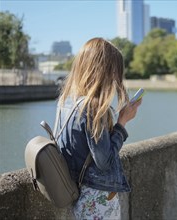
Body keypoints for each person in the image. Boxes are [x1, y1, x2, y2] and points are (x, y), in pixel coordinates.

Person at [55, 37, 142, 219]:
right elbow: (105, 162)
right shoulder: (94, 107)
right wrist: (122, 123)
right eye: (114, 71)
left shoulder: (67, 102)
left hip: (79, 193)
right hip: (98, 197)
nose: (115, 78)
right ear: (104, 71)